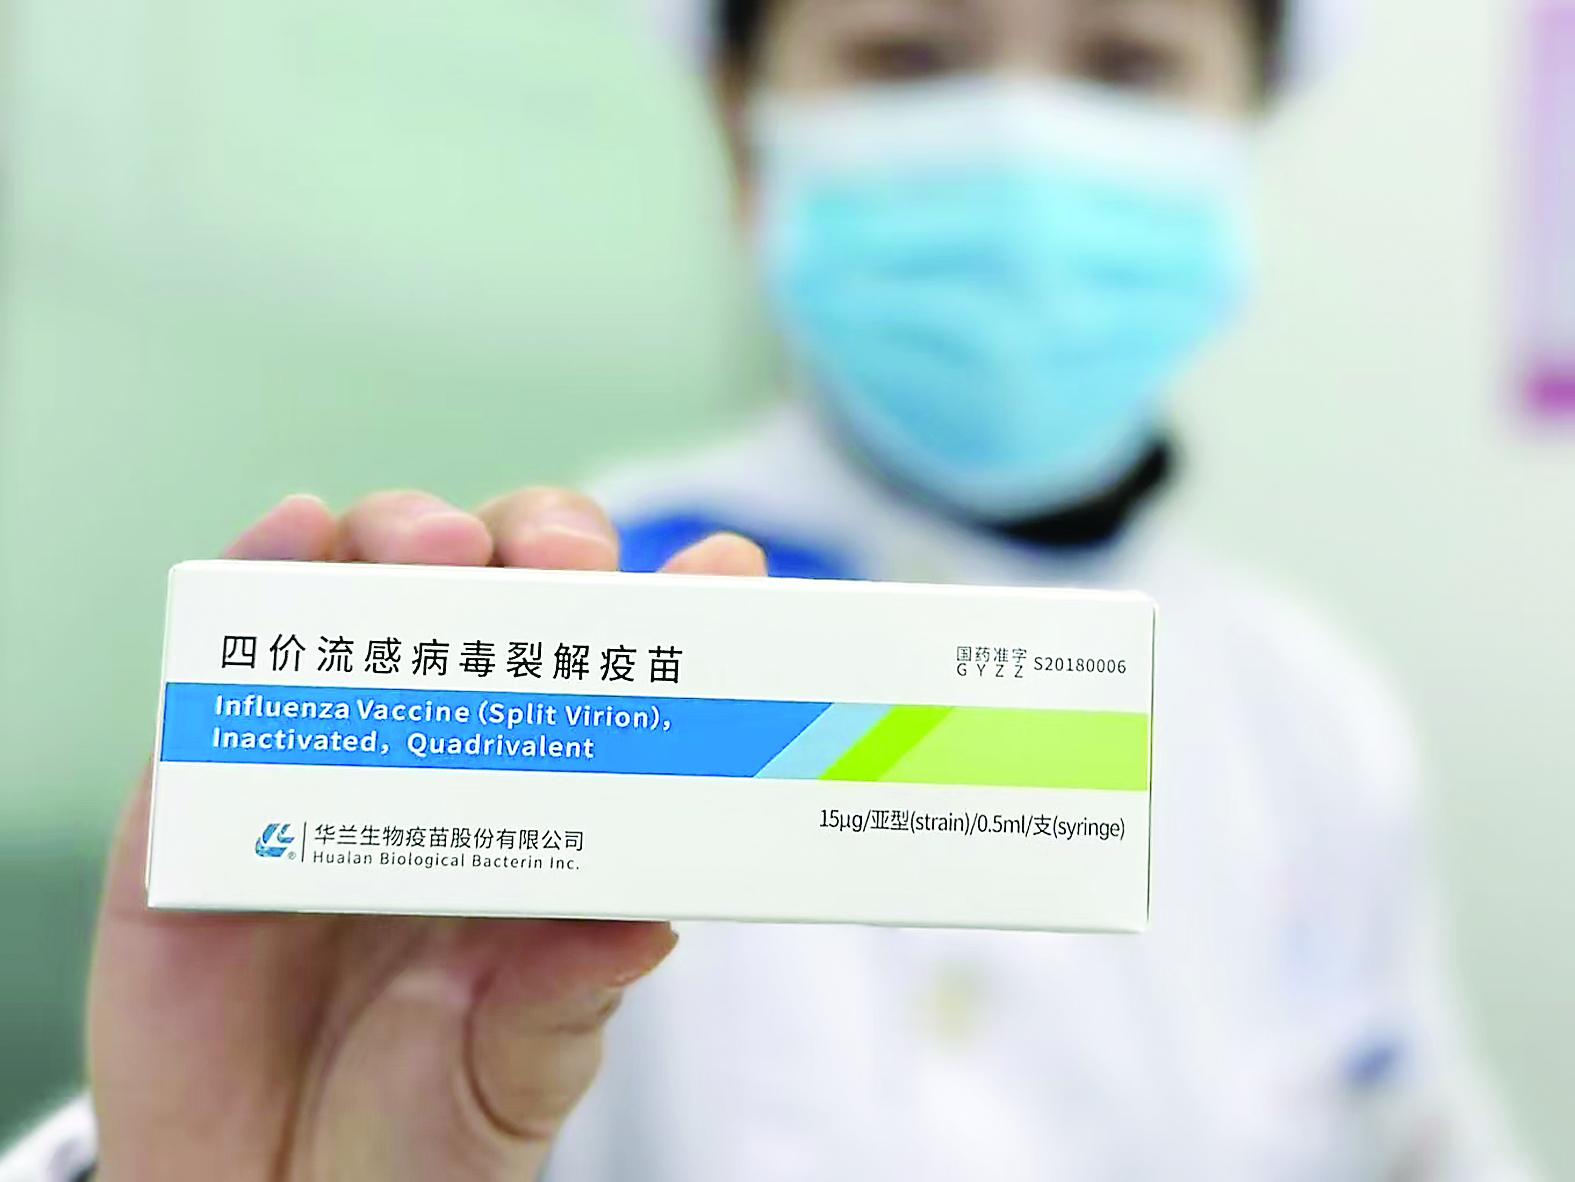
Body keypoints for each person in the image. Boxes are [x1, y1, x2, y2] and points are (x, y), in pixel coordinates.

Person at [0, 0, 1537, 1179]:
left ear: (1248, 126)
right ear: (743, 130)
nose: (1020, 144)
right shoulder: (533, 640)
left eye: (1129, 63)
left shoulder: (1314, 722)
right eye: (909, 56)